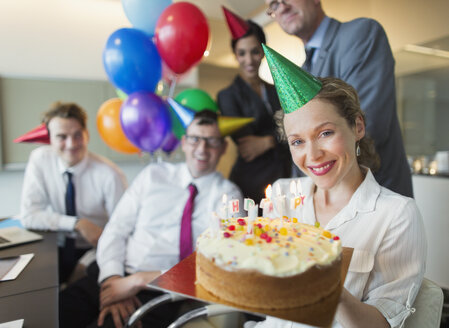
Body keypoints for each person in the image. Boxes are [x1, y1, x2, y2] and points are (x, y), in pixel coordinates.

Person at [247, 46, 427, 328]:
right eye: (298, 141)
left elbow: (381, 323)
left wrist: (333, 292)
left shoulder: (396, 215)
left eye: (325, 133)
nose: (313, 155)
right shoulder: (281, 196)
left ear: (357, 126)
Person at [59, 110, 243, 328]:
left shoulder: (230, 197)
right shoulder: (153, 175)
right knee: (53, 315)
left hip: (161, 289)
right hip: (111, 271)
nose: (202, 149)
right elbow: (116, 229)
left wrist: (138, 282)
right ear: (184, 142)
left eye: (212, 141)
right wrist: (112, 280)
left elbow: (220, 267)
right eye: (195, 139)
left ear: (223, 147)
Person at [264, 0, 413, 198]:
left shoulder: (361, 34)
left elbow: (371, 124)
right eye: (273, 4)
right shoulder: (302, 70)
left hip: (375, 199)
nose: (282, 6)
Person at [19, 102, 127, 283]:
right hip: (53, 245)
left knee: (71, 300)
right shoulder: (40, 160)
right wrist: (77, 224)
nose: (71, 144)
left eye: (78, 135)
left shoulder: (110, 174)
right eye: (62, 136)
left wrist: (87, 261)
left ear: (87, 134)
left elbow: (123, 233)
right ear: (49, 138)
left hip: (96, 250)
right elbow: (29, 215)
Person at [217, 8, 291, 204]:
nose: (248, 60)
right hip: (252, 183)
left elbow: (297, 128)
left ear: (263, 52)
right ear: (235, 54)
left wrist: (267, 142)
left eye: (255, 52)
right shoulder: (227, 96)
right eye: (242, 53)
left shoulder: (277, 90)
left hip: (287, 176)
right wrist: (282, 136)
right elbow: (247, 146)